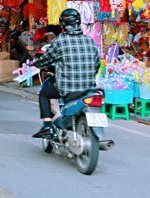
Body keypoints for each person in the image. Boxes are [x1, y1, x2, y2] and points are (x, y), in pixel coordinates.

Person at [32, 8, 100, 138]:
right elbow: (97, 64)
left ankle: (47, 125)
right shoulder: (89, 40)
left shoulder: (60, 40)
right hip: (89, 87)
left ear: (63, 24)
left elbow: (47, 58)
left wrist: (37, 63)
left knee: (44, 94)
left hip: (68, 87)